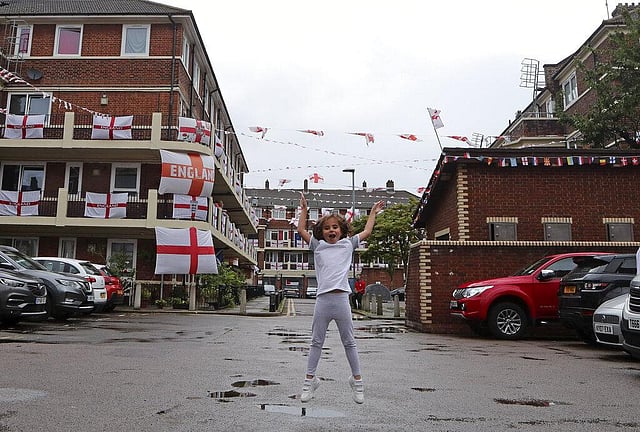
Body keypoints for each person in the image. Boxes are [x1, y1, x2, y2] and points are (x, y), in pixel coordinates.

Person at [297, 193, 385, 404]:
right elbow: (301, 230)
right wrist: (304, 210)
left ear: (342, 230)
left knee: (349, 342)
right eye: (327, 228)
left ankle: (357, 381)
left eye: (335, 227)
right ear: (321, 232)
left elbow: (367, 231)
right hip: (323, 300)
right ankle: (309, 382)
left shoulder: (348, 244)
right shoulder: (317, 246)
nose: (331, 230)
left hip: (342, 300)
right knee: (316, 342)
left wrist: (373, 213)